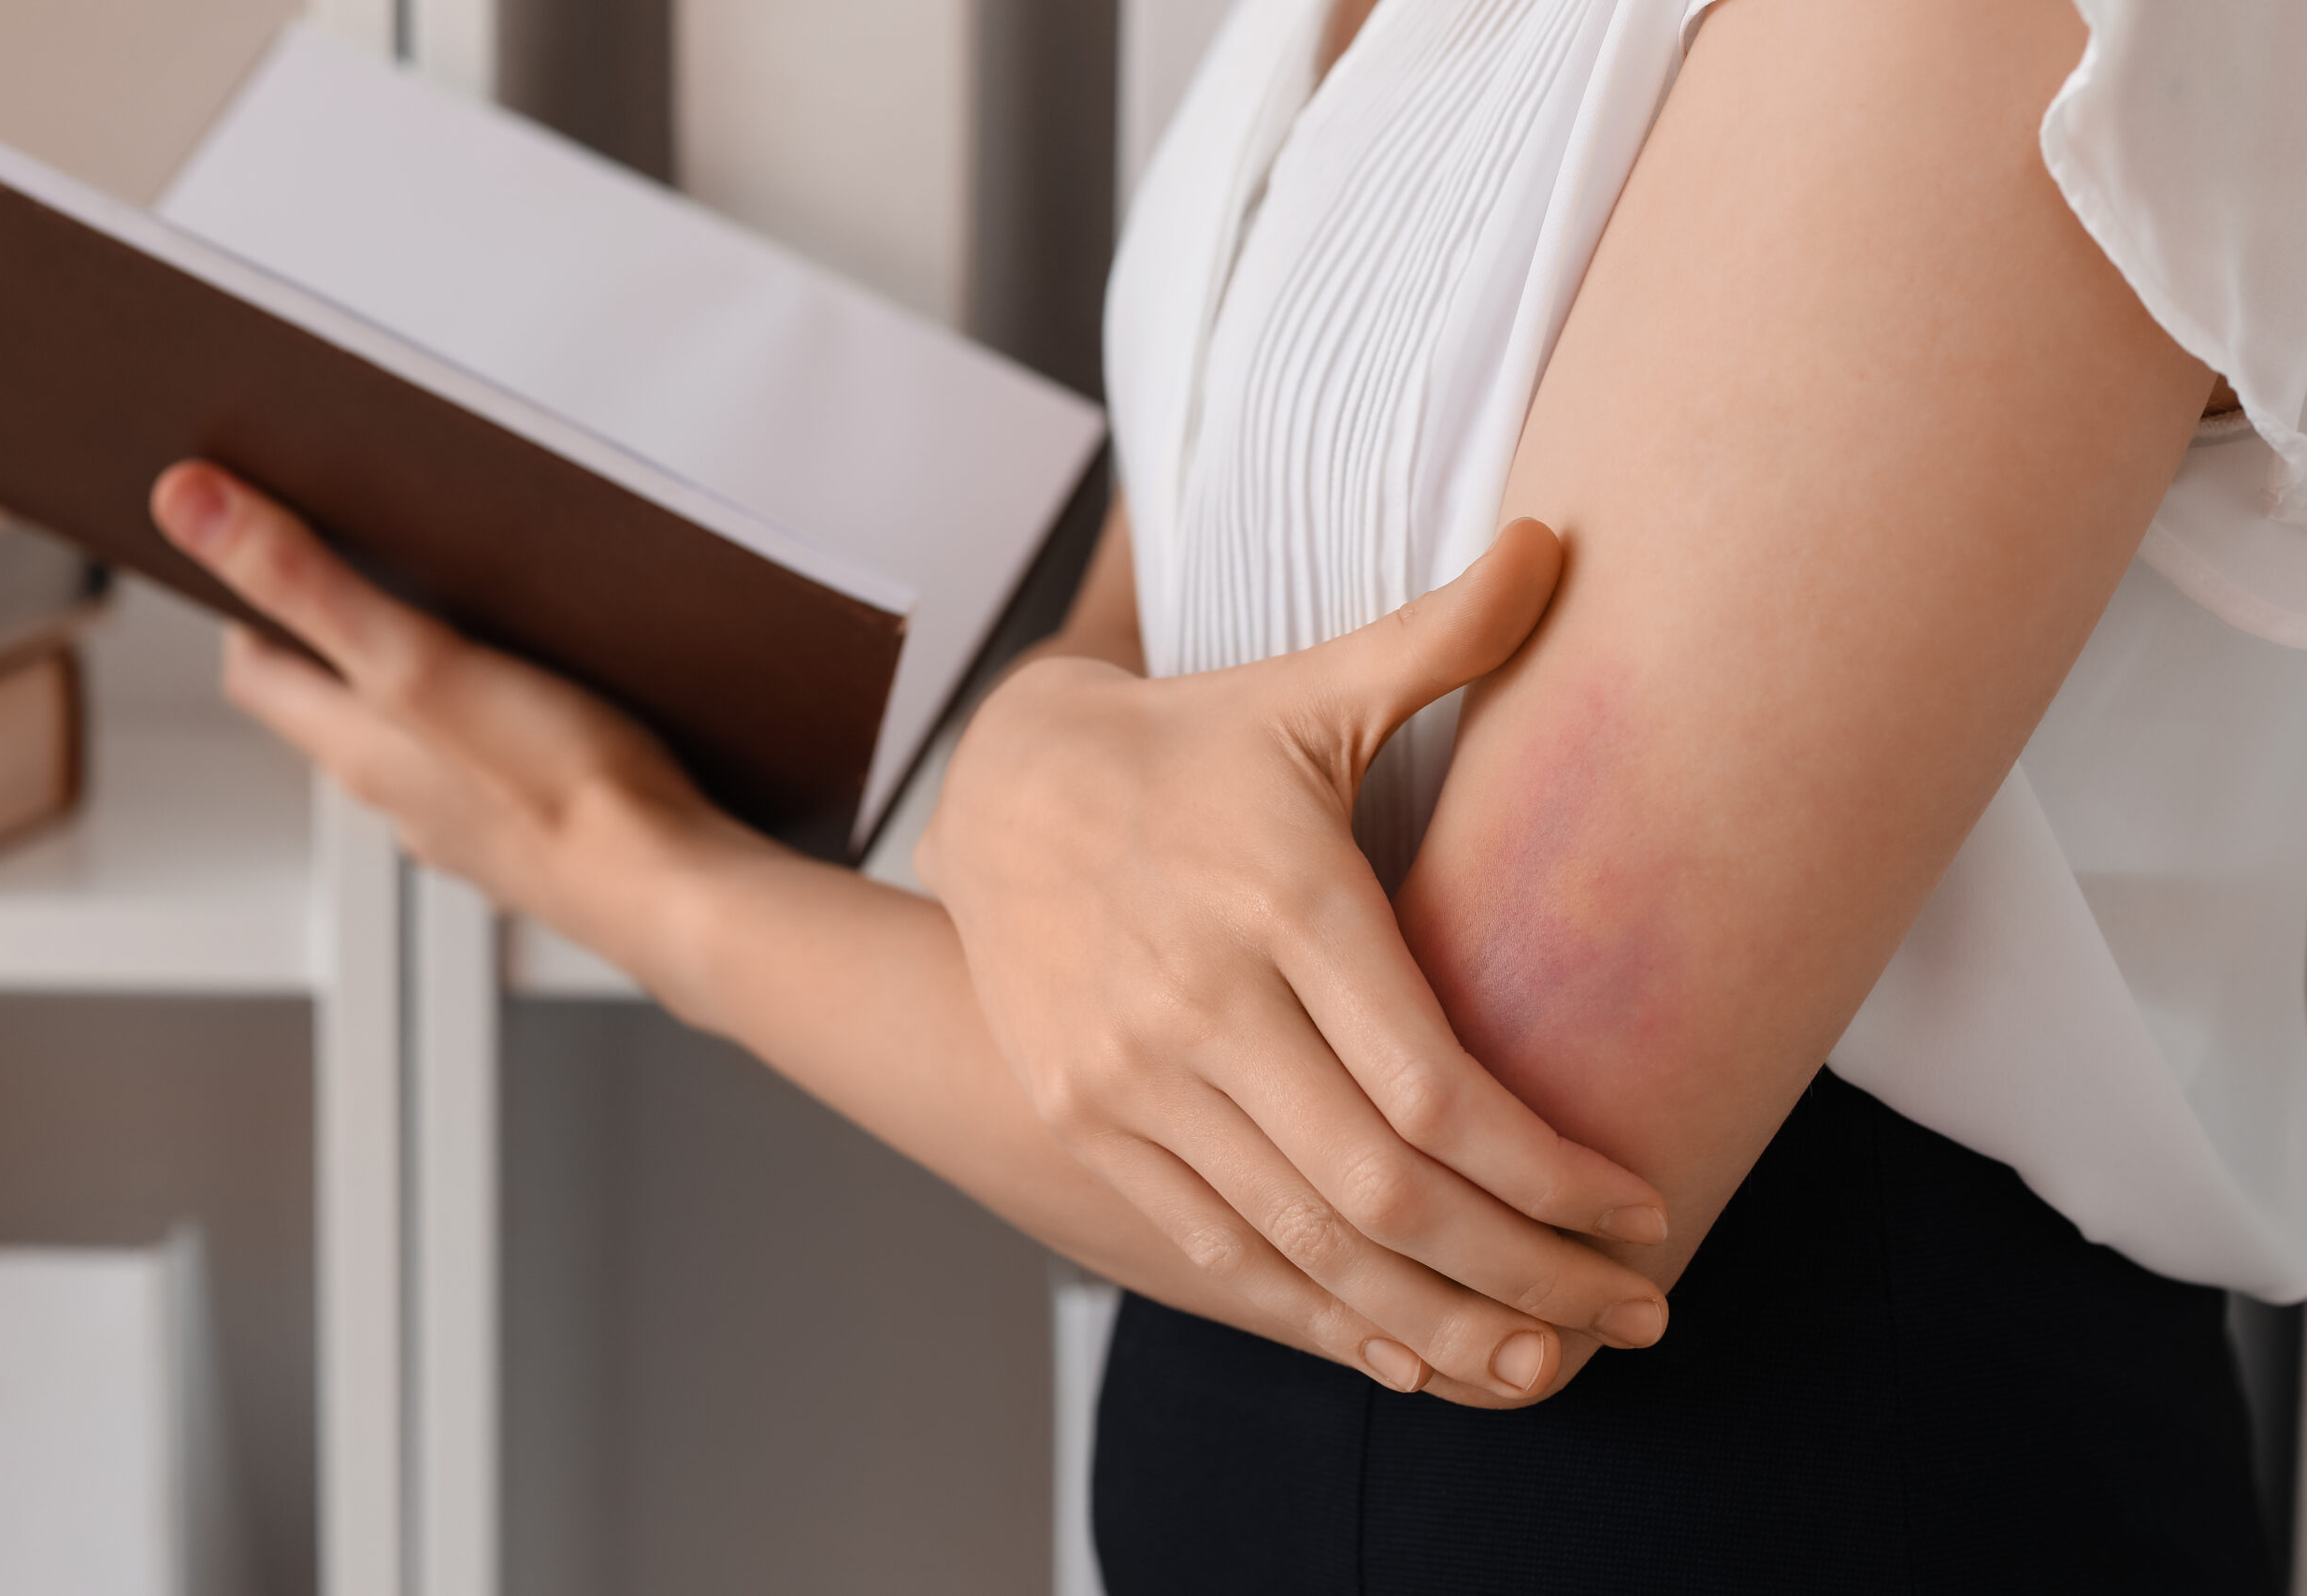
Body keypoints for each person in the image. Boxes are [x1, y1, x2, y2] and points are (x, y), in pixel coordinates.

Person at [146, 0, 2306, 1586]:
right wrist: (1028, 753)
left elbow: (1461, 1189)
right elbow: (1143, 631)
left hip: (1809, 1488)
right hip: (1243, 1467)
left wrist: (608, 857)